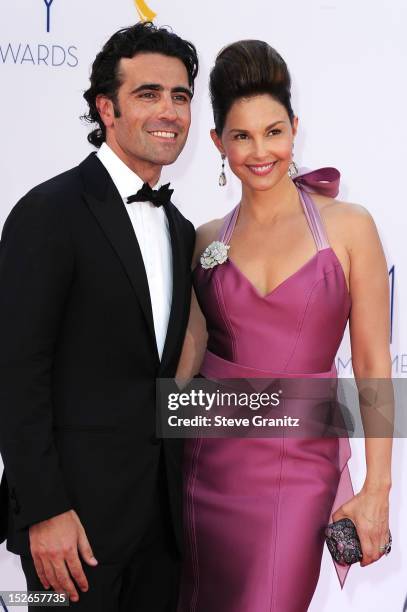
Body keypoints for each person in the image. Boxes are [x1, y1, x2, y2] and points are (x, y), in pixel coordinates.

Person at [176, 40, 392, 611]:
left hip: (301, 465)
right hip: (207, 465)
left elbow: (372, 362)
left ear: (295, 128)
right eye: (241, 136)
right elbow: (187, 365)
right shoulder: (206, 239)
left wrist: (377, 490)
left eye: (273, 131)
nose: (259, 150)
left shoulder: (349, 227)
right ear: (219, 143)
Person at [0, 22, 198, 612]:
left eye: (180, 96)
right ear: (105, 108)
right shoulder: (49, 211)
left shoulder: (182, 230)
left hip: (161, 531)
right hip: (72, 533)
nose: (169, 111)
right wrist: (44, 510)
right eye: (148, 94)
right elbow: (17, 371)